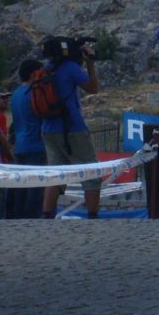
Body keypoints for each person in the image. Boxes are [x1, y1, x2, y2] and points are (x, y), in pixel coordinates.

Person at [40, 37, 102, 220]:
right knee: (91, 172)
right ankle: (93, 215)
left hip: (48, 129)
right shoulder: (70, 68)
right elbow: (93, 88)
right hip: (72, 128)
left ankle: (46, 215)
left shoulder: (47, 67)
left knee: (55, 174)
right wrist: (90, 62)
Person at [9, 59, 46, 218]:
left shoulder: (16, 94)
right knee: (35, 188)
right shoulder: (34, 92)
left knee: (21, 188)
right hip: (36, 145)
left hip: (20, 146)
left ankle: (19, 220)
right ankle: (32, 219)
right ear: (33, 74)